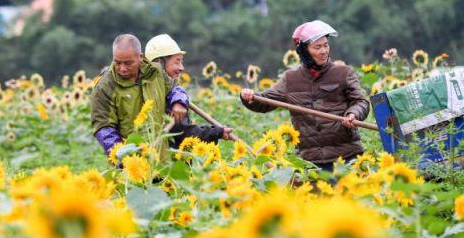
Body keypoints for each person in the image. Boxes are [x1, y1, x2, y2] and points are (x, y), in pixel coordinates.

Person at [240, 20, 370, 171]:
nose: (324, 51)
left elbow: (361, 102)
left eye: (326, 45)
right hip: (310, 162)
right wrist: (249, 96)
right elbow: (264, 102)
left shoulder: (344, 73)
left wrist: (354, 114)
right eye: (317, 47)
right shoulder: (291, 79)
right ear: (304, 51)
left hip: (347, 157)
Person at [90, 33, 190, 158]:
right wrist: (121, 155)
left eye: (128, 63)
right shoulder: (104, 87)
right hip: (132, 164)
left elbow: (174, 89)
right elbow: (103, 127)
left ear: (140, 57)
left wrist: (179, 101)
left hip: (160, 159)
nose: (122, 68)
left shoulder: (155, 72)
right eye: (117, 62)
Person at [145, 34, 233, 148]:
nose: (181, 68)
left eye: (181, 62)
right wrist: (217, 132)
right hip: (160, 160)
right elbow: (186, 135)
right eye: (177, 62)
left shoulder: (169, 92)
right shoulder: (161, 97)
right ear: (159, 63)